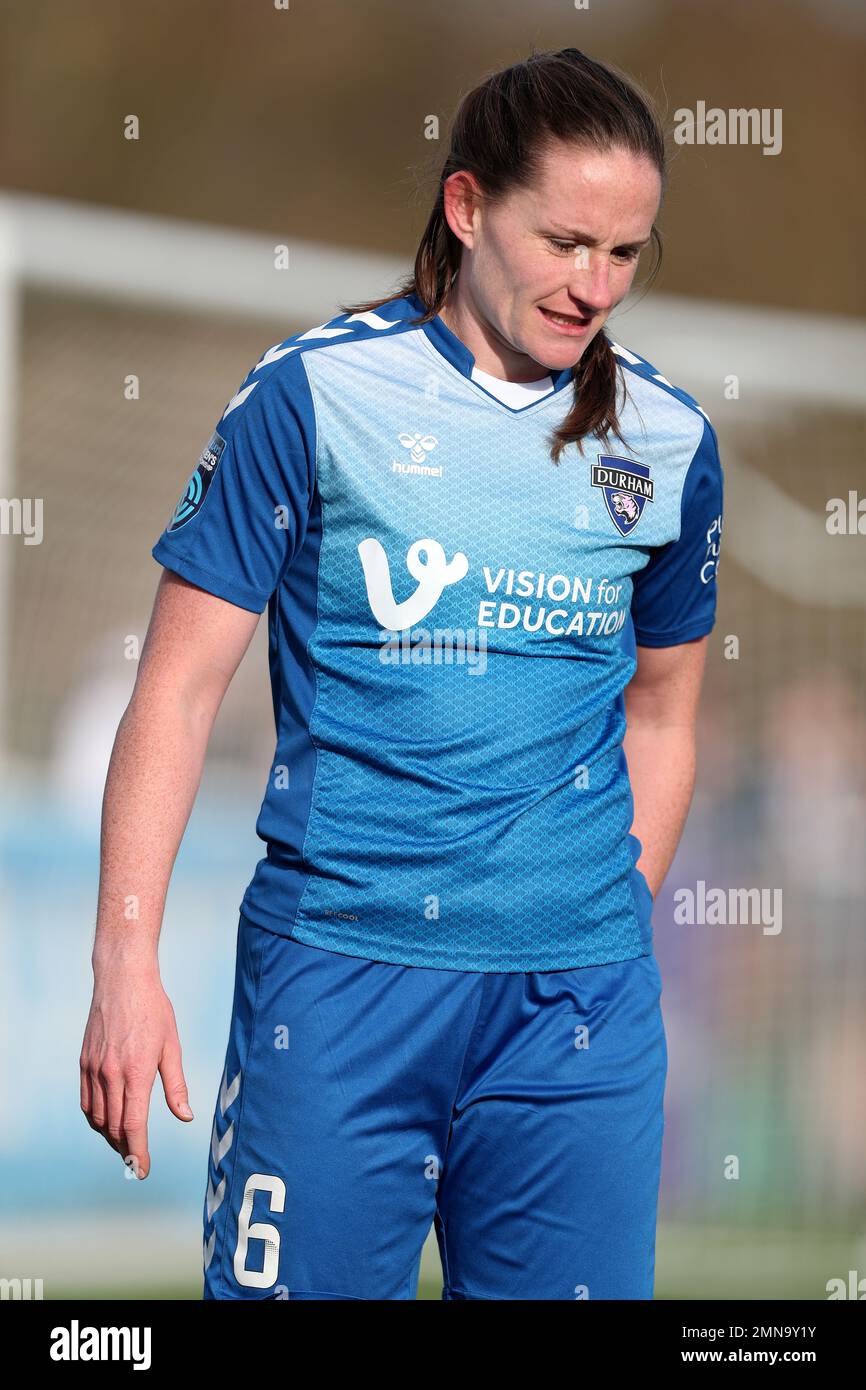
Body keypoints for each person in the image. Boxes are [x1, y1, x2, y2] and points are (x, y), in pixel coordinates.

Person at [80, 46, 723, 1300]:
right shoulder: (314, 396)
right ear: (468, 205)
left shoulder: (671, 440)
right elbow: (175, 689)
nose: (594, 285)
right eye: (565, 240)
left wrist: (594, 916)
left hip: (571, 1014)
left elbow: (662, 712)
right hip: (338, 986)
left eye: (625, 254)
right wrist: (125, 962)